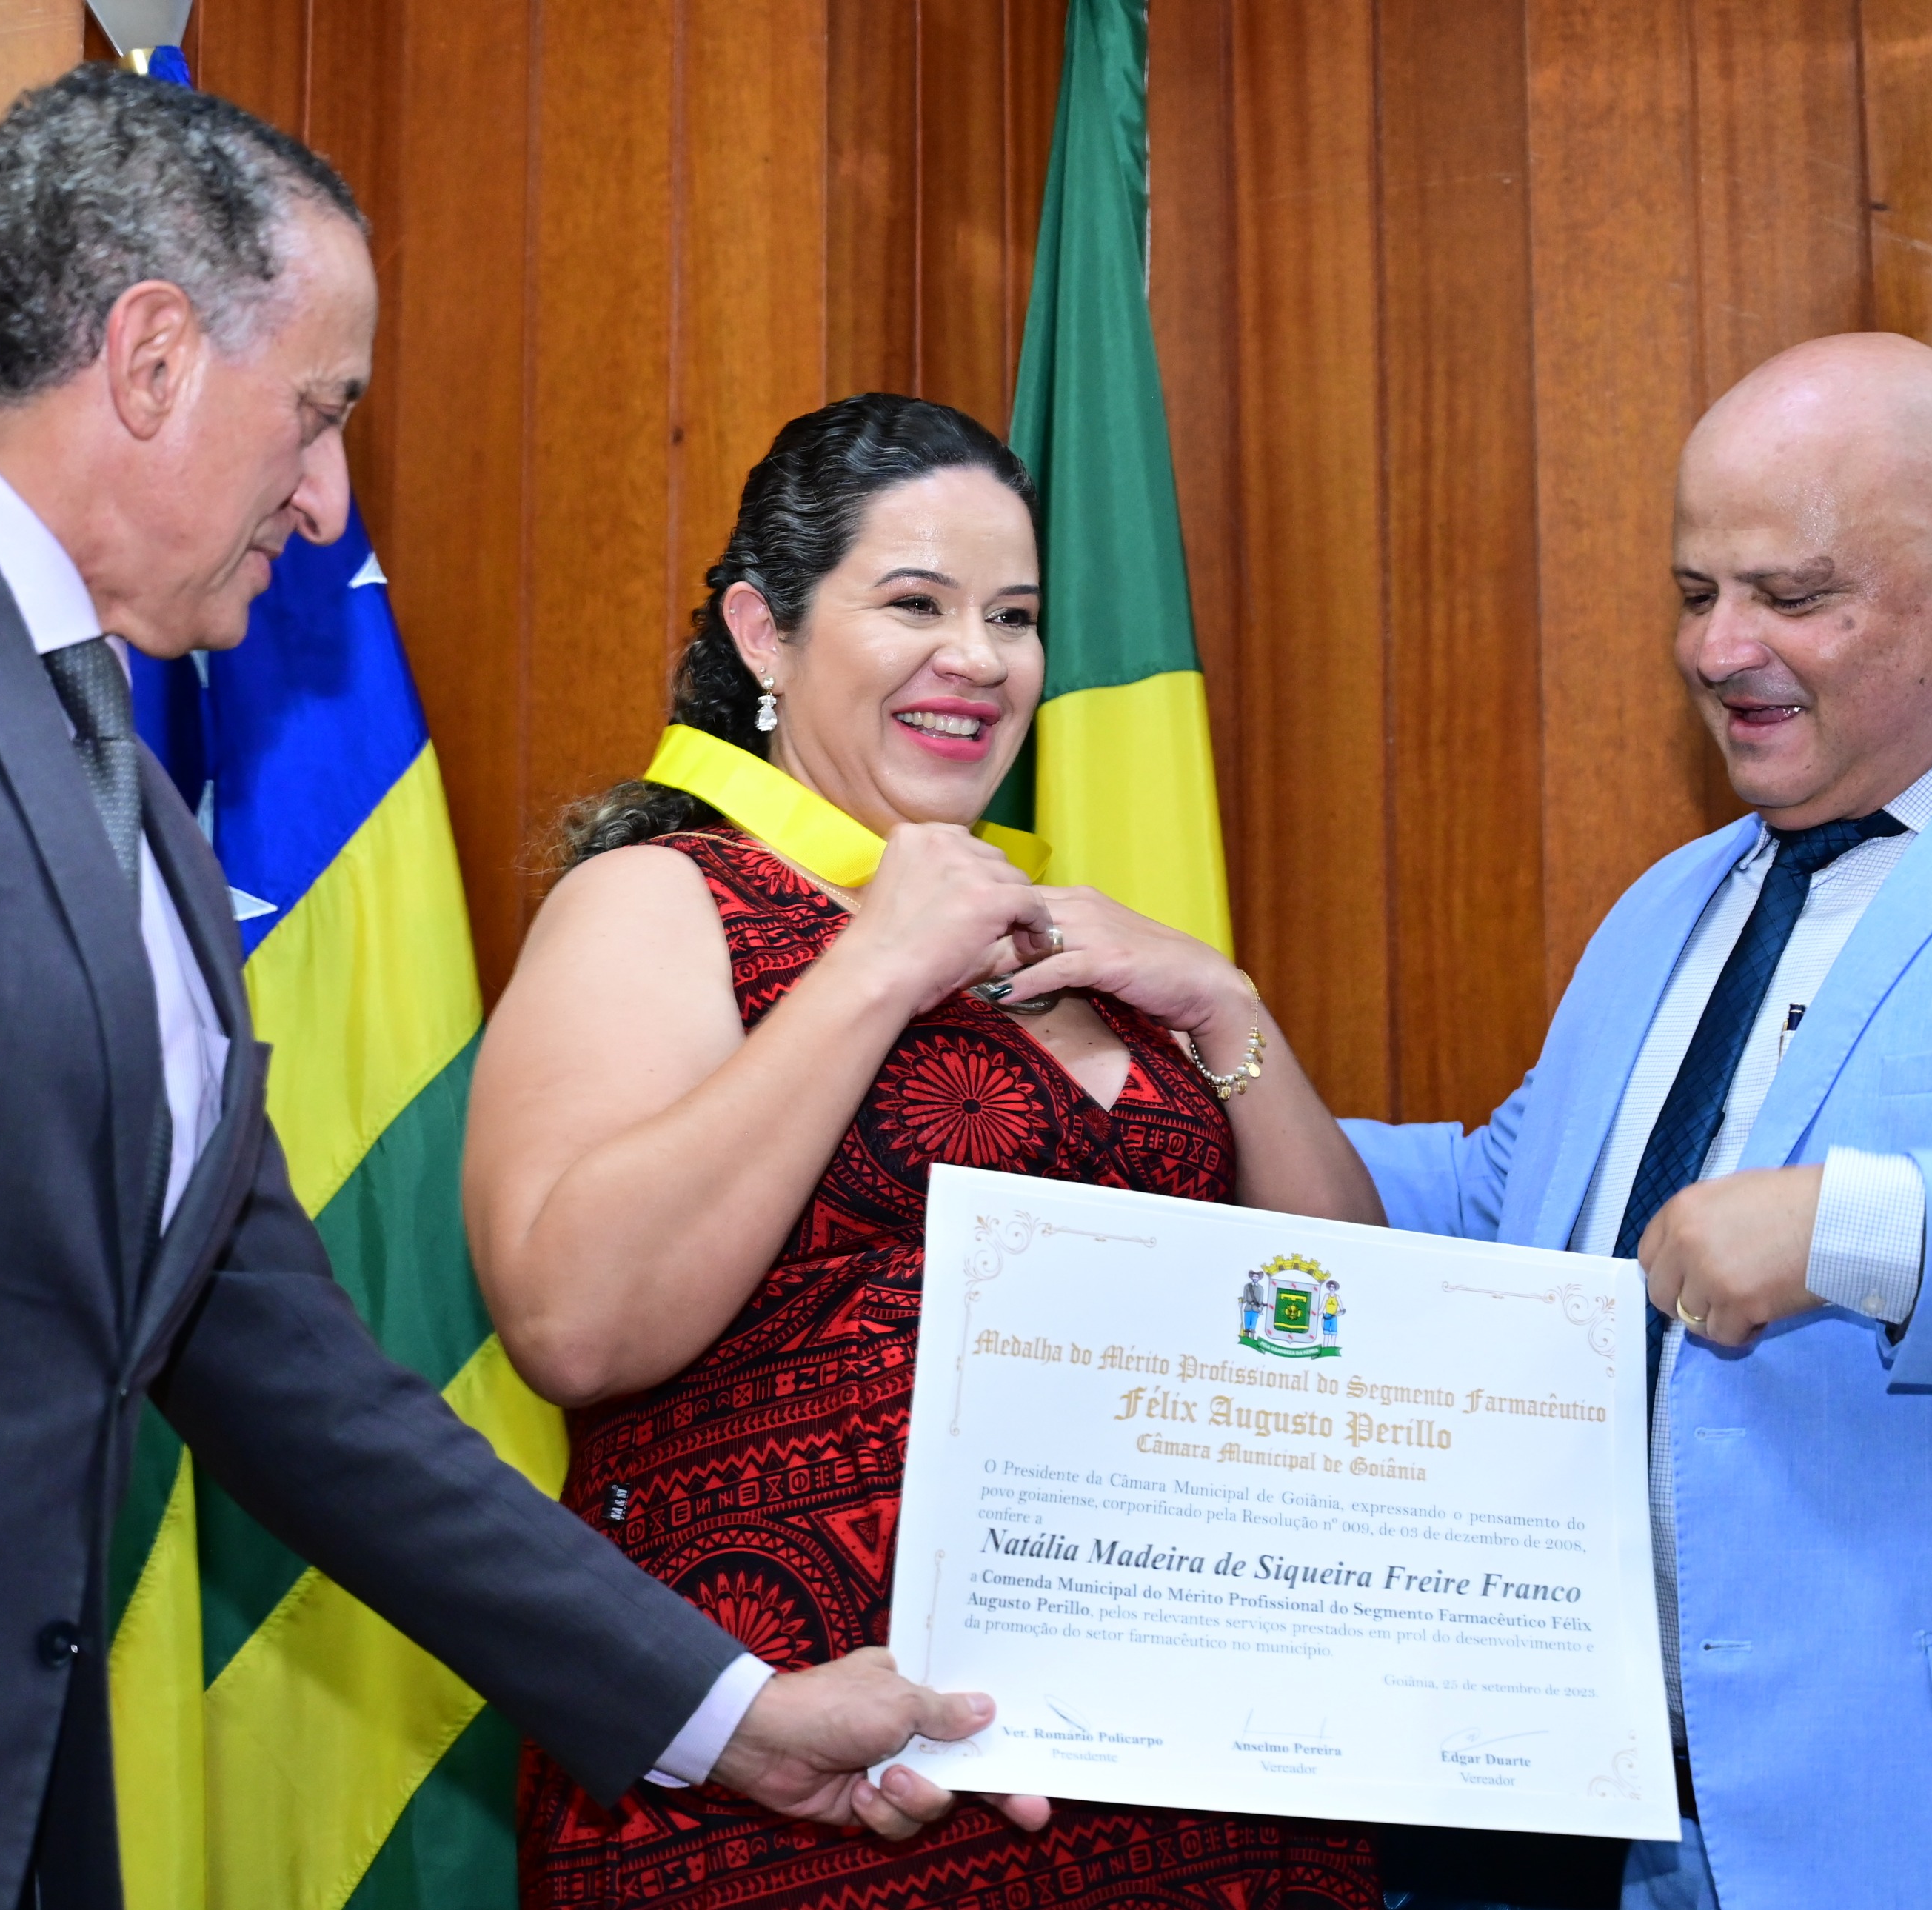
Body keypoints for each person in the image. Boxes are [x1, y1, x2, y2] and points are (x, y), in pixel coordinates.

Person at [0, 70, 1004, 1910]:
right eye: (318, 415)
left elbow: (288, 1371)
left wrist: (726, 1713)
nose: (325, 503)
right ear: (152, 359)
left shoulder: (131, 798)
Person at [1339, 333, 1932, 1909]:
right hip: (1615, 1833)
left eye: (1792, 593)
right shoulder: (1666, 905)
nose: (1718, 647)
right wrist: (1185, 1063)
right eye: (1697, 591)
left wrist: (1867, 1230)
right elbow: (1500, 1205)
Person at [465, 392, 1391, 1909]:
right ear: (764, 634)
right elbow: (575, 1324)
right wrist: (878, 966)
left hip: (1199, 1804)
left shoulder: (1087, 942)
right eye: (915, 604)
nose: (979, 657)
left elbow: (1355, 1341)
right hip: (814, 1801)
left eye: (1013, 617)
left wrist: (1229, 1008)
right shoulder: (663, 900)